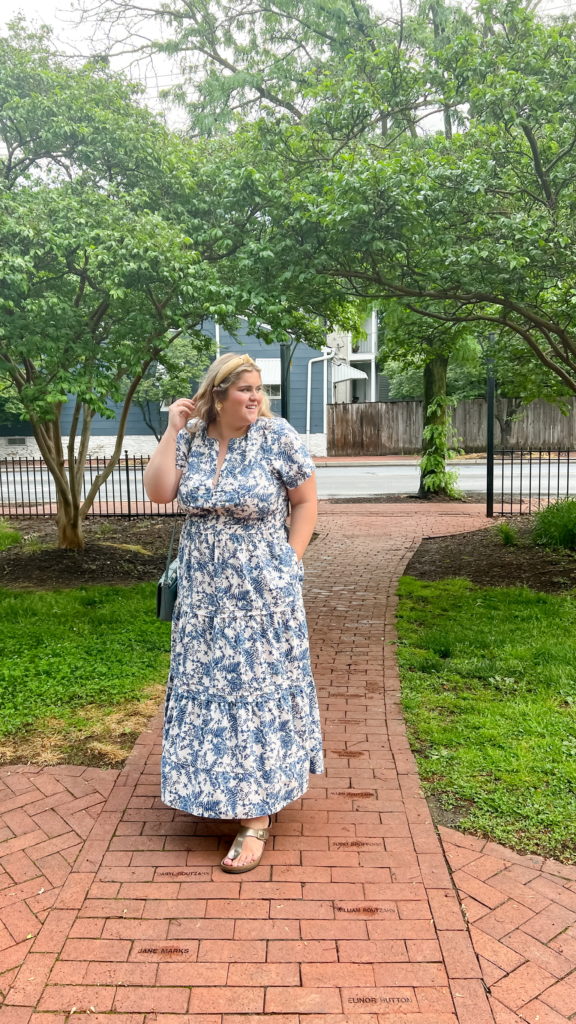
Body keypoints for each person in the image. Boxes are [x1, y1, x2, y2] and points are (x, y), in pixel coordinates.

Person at [143, 352, 324, 873]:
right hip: (203, 596)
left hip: (262, 591)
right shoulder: (194, 437)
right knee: (207, 685)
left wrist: (289, 564)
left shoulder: (277, 437)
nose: (255, 398)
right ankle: (212, 789)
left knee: (255, 689)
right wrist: (173, 429)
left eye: (258, 388)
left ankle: (255, 817)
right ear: (217, 395)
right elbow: (159, 493)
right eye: (245, 389)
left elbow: (306, 502)